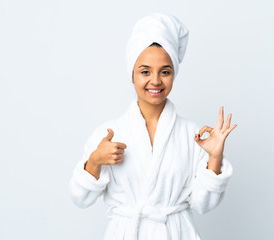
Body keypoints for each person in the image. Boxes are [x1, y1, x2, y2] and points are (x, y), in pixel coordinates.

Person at [69, 13, 237, 240]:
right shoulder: (108, 135)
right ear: (132, 74)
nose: (155, 81)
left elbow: (203, 204)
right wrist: (95, 161)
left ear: (174, 74)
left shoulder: (193, 136)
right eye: (145, 71)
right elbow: (80, 198)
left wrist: (215, 158)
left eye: (165, 72)